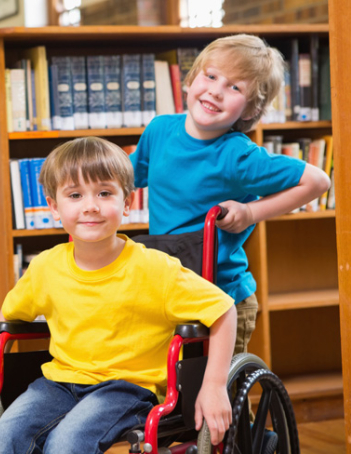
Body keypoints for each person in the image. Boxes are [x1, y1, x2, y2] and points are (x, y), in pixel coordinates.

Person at [0, 137, 237, 453]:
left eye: (105, 193)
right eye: (74, 195)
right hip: (58, 383)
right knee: (0, 438)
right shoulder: (46, 266)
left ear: (127, 202)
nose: (90, 205)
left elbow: (223, 310)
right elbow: (10, 317)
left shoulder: (155, 268)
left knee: (66, 444)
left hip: (127, 389)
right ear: (54, 206)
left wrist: (215, 385)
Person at [130, 34, 330, 359]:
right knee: (175, 389)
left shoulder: (238, 156)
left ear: (250, 111)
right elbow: (126, 176)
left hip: (222, 298)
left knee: (219, 396)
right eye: (210, 76)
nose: (216, 91)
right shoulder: (159, 131)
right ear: (192, 78)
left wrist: (250, 213)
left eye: (235, 87)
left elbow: (317, 181)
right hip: (169, 288)